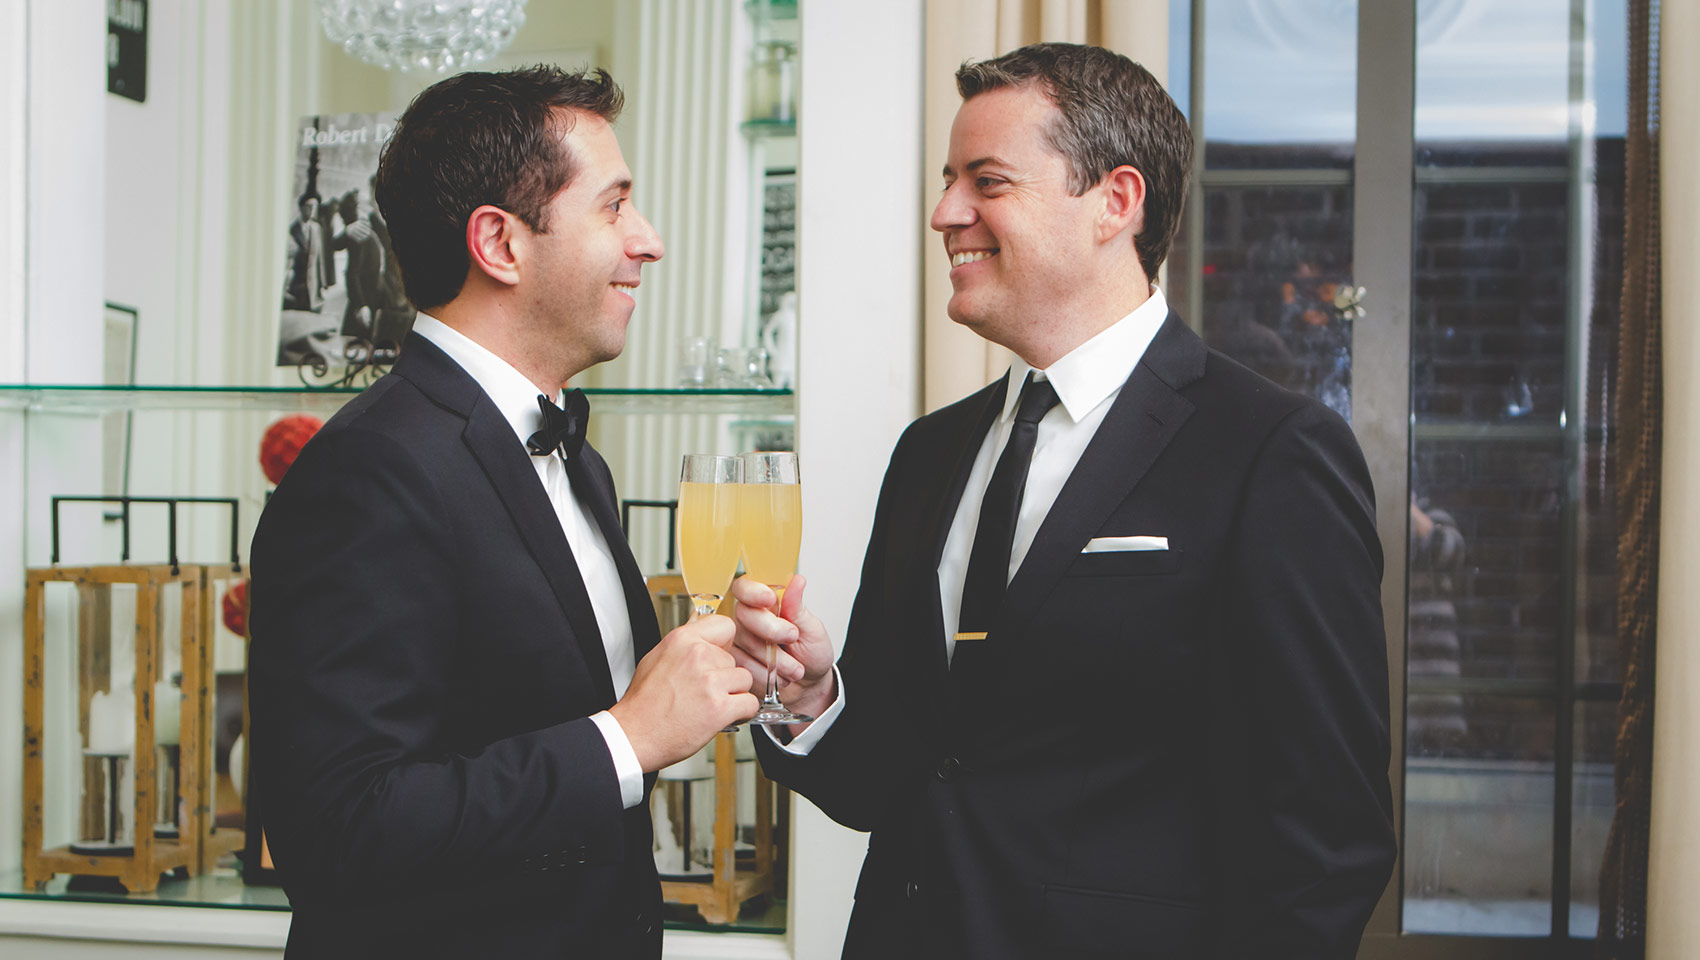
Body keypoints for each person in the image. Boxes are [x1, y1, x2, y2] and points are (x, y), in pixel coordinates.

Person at [732, 43, 1397, 958]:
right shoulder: (932, 454)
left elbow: (1328, 846)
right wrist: (813, 701)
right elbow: (898, 780)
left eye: (987, 180)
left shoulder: (1272, 455)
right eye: (946, 180)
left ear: (1116, 203)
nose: (945, 213)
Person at [249, 66, 759, 959]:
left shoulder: (577, 459)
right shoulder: (366, 473)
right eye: (613, 207)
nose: (649, 241)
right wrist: (628, 737)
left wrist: (725, 671)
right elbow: (338, 832)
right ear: (500, 243)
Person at [283, 194, 326, 312]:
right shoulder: (292, 229)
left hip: (312, 283)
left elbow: (319, 257)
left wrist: (322, 283)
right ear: (301, 208)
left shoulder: (316, 228)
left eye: (314, 207)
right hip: (296, 284)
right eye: (309, 206)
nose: (312, 210)